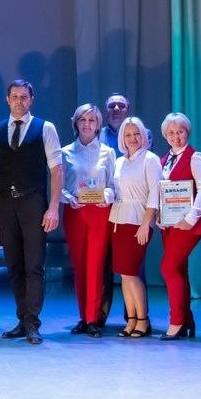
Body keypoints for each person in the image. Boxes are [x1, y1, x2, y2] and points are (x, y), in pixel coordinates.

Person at [0, 79, 62, 345]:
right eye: (15, 96)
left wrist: (53, 208)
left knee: (34, 265)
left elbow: (57, 171)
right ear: (7, 99)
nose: (19, 101)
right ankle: (22, 319)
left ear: (31, 99)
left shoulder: (45, 128)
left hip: (34, 203)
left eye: (24, 96)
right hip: (5, 204)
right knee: (14, 266)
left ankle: (33, 322)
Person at [60, 103, 117, 337]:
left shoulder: (108, 152)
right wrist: (69, 198)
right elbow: (59, 187)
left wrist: (106, 196)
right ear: (76, 123)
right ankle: (83, 317)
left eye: (92, 120)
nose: (87, 124)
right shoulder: (65, 152)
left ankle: (94, 319)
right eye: (83, 119)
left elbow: (113, 185)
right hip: (75, 213)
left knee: (96, 265)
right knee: (79, 266)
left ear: (98, 124)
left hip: (100, 214)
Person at [154, 113, 201, 340]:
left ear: (187, 132)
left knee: (168, 268)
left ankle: (176, 322)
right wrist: (159, 214)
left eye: (180, 132)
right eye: (171, 133)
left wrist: (192, 217)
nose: (175, 137)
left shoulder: (195, 157)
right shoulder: (165, 159)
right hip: (169, 224)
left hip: (188, 224)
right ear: (165, 135)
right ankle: (187, 321)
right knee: (179, 270)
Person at [108, 117, 160, 339]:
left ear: (144, 136)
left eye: (137, 133)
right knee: (124, 274)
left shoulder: (150, 159)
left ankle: (143, 320)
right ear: (122, 138)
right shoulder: (119, 161)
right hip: (118, 220)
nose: (132, 138)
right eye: (128, 134)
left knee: (132, 272)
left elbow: (155, 194)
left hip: (138, 220)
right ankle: (131, 319)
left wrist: (146, 224)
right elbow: (114, 190)